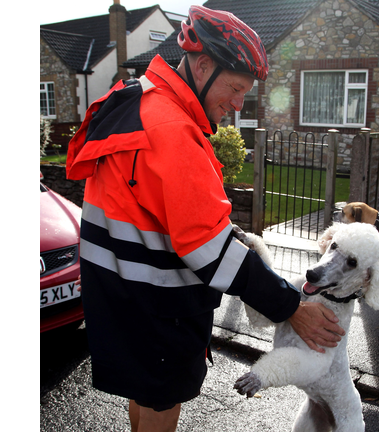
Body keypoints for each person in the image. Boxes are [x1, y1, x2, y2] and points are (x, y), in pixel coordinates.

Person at [66, 6, 345, 431]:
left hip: (118, 294)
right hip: (157, 306)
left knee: (145, 396)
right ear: (202, 65)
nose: (237, 105)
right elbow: (208, 249)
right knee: (162, 403)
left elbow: (153, 209)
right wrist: (293, 308)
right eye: (235, 88)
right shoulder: (173, 130)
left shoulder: (137, 98)